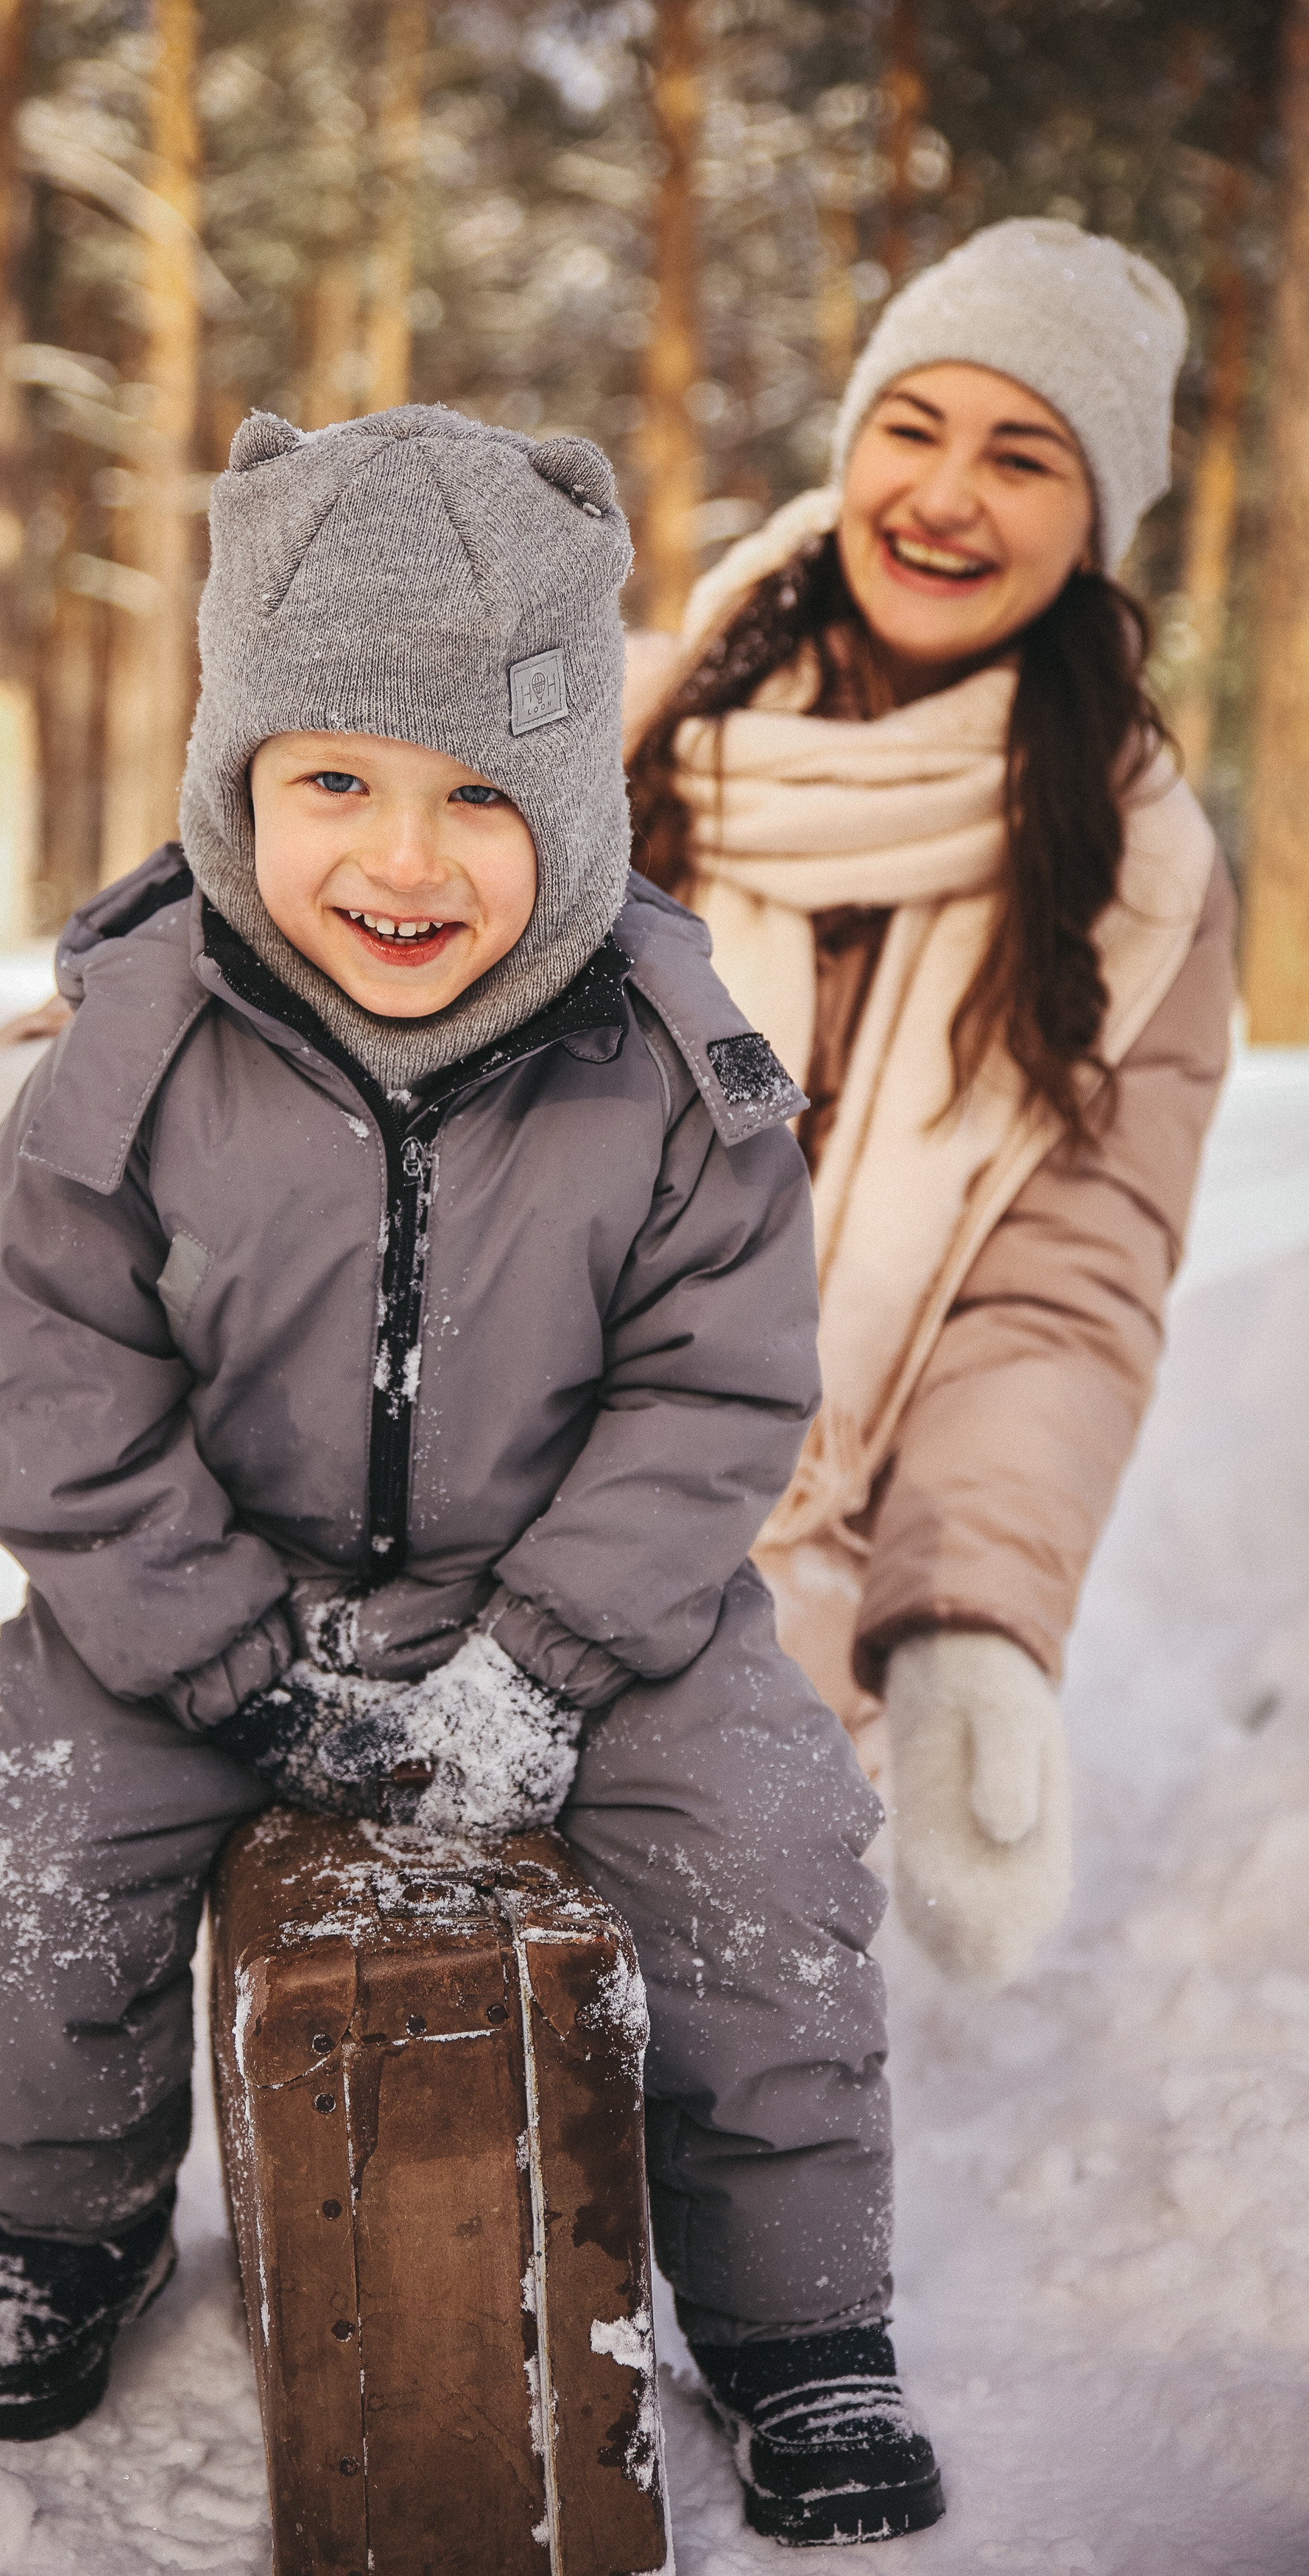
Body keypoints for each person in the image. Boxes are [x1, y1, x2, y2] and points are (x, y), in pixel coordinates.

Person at [0, 403, 945, 2546]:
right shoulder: (131, 1041)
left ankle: (794, 2317)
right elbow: (66, 1385)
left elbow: (713, 1384)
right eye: (333, 782)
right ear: (233, 781)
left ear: (573, 793)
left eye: (481, 793)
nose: (401, 858)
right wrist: (214, 1654)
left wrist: (551, 1657)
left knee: (764, 1833)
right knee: (21, 1840)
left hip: (571, 1596)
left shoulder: (665, 1056)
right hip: (203, 1581)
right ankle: (59, 2226)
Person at [624, 221, 1233, 1988]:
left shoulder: (1138, 876)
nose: (948, 494)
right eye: (916, 425)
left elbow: (1070, 1277)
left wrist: (975, 1618)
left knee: (685, 1966)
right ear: (853, 444)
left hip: (806, 1537)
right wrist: (68, 1062)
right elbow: (329, 885)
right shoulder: (640, 718)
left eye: (1022, 452)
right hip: (505, 1470)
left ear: (1093, 516)